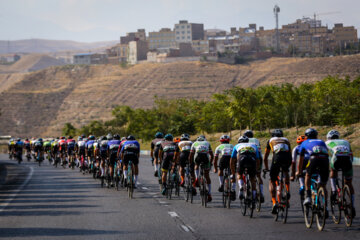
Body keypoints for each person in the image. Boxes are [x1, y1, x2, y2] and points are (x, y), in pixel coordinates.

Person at [297, 128, 329, 210]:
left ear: (306, 136)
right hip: (325, 159)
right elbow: (326, 152)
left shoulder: (304, 142)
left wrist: (299, 172)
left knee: (308, 175)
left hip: (314, 158)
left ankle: (308, 197)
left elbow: (300, 160)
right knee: (323, 185)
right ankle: (326, 207)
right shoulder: (321, 141)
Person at [325, 130, 356, 217]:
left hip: (337, 161)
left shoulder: (327, 142)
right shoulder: (345, 142)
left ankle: (334, 190)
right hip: (348, 162)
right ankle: (352, 206)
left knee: (333, 171)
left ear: (329, 137)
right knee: (349, 183)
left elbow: (325, 155)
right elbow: (351, 156)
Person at [264, 129, 292, 214]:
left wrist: (267, 168)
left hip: (277, 158)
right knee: (285, 171)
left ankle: (274, 202)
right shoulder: (286, 140)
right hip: (287, 158)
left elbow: (266, 156)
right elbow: (290, 153)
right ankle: (287, 190)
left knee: (272, 180)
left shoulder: (270, 140)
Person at [189, 135, 214, 202]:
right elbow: (211, 155)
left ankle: (197, 177)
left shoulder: (194, 143)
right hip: (206, 159)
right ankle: (209, 193)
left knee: (196, 165)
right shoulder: (207, 143)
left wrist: (191, 163)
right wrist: (210, 163)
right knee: (207, 176)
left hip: (198, 158)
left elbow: (191, 155)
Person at [244, 130, 265, 203]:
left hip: (248, 157)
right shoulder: (256, 140)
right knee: (258, 175)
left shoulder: (244, 139)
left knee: (245, 172)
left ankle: (247, 187)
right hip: (258, 157)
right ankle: (261, 193)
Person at [214, 135, 235, 200]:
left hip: (224, 158)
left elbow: (215, 159)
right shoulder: (232, 146)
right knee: (232, 174)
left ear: (221, 141)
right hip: (231, 159)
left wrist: (215, 168)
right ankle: (233, 189)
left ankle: (221, 184)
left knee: (221, 170)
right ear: (228, 141)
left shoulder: (218, 147)